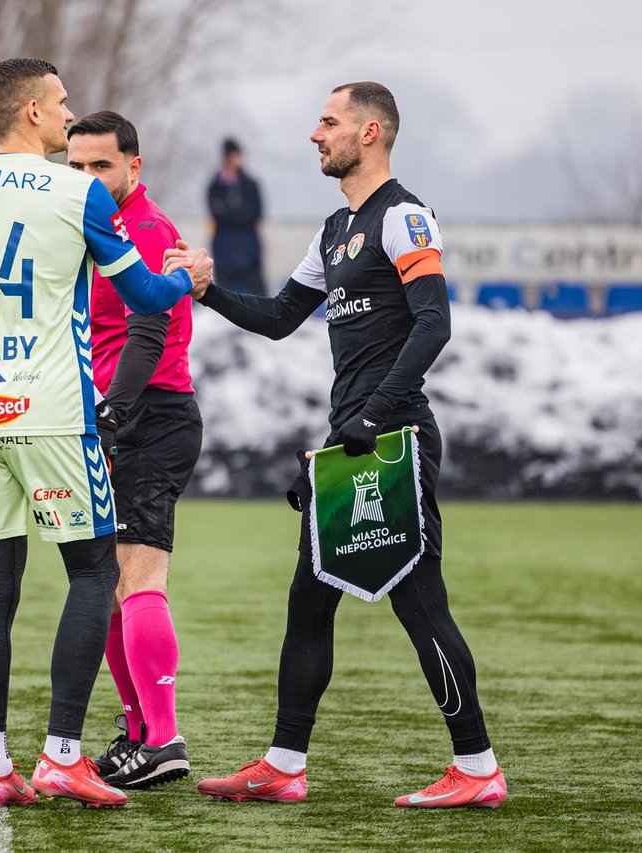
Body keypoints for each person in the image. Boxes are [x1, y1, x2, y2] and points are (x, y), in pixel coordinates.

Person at [171, 81, 506, 809]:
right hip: (351, 441)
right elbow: (280, 317)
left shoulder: (405, 217)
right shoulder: (333, 229)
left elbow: (435, 322)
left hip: (394, 438)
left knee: (420, 603)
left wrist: (377, 413)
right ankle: (284, 764)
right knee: (308, 602)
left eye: (329, 122)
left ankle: (478, 767)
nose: (315, 135)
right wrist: (206, 290)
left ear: (371, 132)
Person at [0, 58, 211, 809]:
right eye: (62, 102)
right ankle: (63, 755)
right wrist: (190, 276)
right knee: (94, 574)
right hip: (55, 412)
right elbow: (145, 295)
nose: (70, 115)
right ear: (33, 111)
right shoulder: (77, 192)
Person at [65, 111, 201, 790]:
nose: (88, 178)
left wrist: (113, 414)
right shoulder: (95, 226)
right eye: (76, 167)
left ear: (133, 167)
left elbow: (147, 334)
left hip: (152, 416)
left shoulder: (143, 229)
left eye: (102, 166)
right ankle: (141, 731)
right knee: (114, 588)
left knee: (140, 579)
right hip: (120, 417)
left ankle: (163, 738)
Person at [206, 138, 266, 297]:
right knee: (225, 298)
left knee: (258, 297)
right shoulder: (216, 186)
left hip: (249, 251)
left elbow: (256, 213)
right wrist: (239, 212)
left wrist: (230, 211)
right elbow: (217, 213)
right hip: (224, 252)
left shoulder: (250, 185)